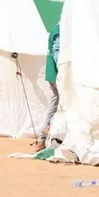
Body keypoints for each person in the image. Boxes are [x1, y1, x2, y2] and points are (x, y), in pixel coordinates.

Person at [35, 21, 60, 151]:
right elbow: (58, 55)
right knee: (59, 108)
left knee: (54, 107)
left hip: (55, 75)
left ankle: (43, 139)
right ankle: (44, 137)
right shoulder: (59, 32)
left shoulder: (57, 30)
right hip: (58, 76)